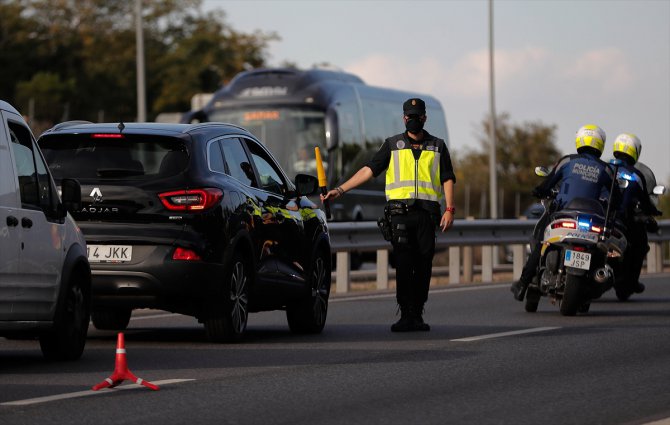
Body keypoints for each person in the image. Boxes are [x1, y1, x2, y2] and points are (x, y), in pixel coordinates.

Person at [321, 98, 456, 332]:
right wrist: (340, 190)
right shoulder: (392, 145)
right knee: (403, 264)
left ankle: (417, 313)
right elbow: (369, 170)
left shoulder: (437, 146)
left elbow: (448, 178)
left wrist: (450, 209)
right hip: (399, 215)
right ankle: (405, 314)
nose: (413, 120)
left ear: (424, 118)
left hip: (426, 216)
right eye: (409, 116)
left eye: (417, 116)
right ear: (404, 118)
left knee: (423, 265)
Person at [511, 124, 616, 301]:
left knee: (541, 242)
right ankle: (594, 282)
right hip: (592, 221)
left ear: (579, 140)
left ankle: (523, 284)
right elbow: (616, 199)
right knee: (603, 250)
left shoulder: (567, 161)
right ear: (600, 144)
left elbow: (548, 184)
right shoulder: (606, 169)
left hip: (564, 214)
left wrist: (538, 191)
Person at [611, 133, 661, 297]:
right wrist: (652, 212)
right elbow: (645, 201)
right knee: (640, 244)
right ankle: (631, 281)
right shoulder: (635, 175)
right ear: (635, 151)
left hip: (602, 218)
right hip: (623, 219)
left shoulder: (605, 168)